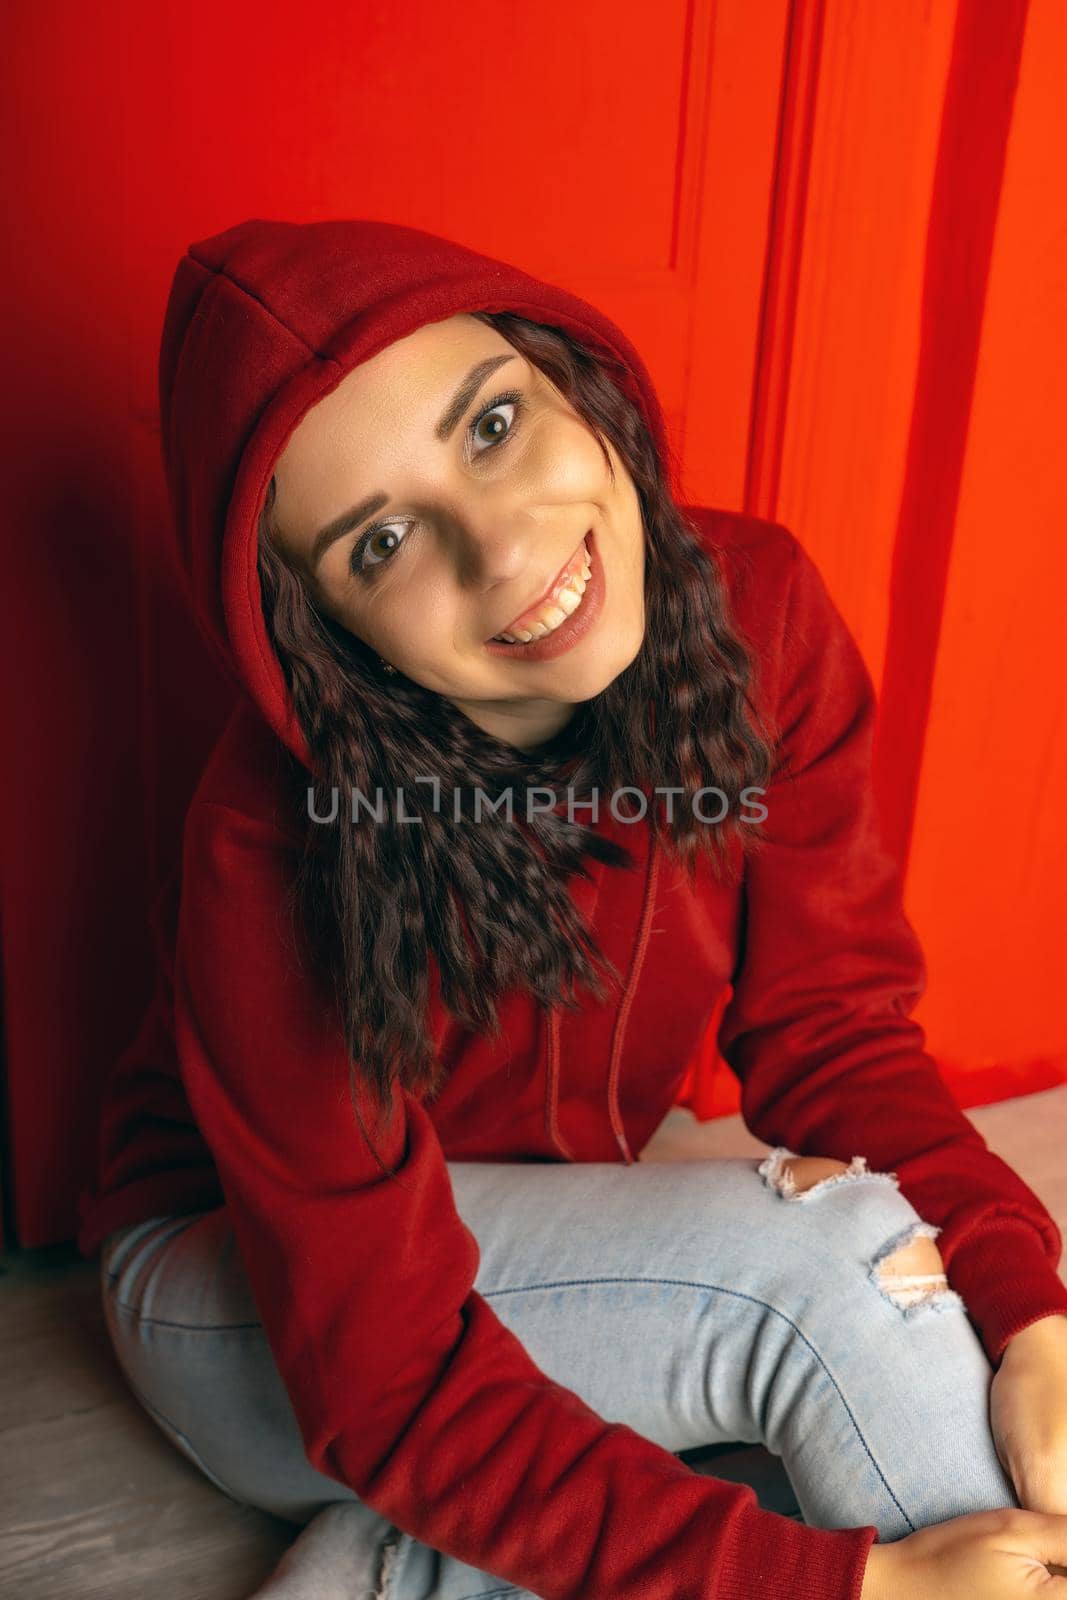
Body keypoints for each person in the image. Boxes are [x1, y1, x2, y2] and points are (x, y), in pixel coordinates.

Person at [78, 218, 1067, 1600]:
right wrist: (854, 1591)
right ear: (316, 632)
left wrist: (1029, 1311)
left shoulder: (759, 618)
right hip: (249, 1300)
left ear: (573, 384)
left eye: (489, 425)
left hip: (532, 1236)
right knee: (837, 1276)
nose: (502, 549)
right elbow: (389, 1378)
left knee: (935, 1327)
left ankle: (398, 1568)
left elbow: (833, 1035)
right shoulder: (274, 837)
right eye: (383, 541)